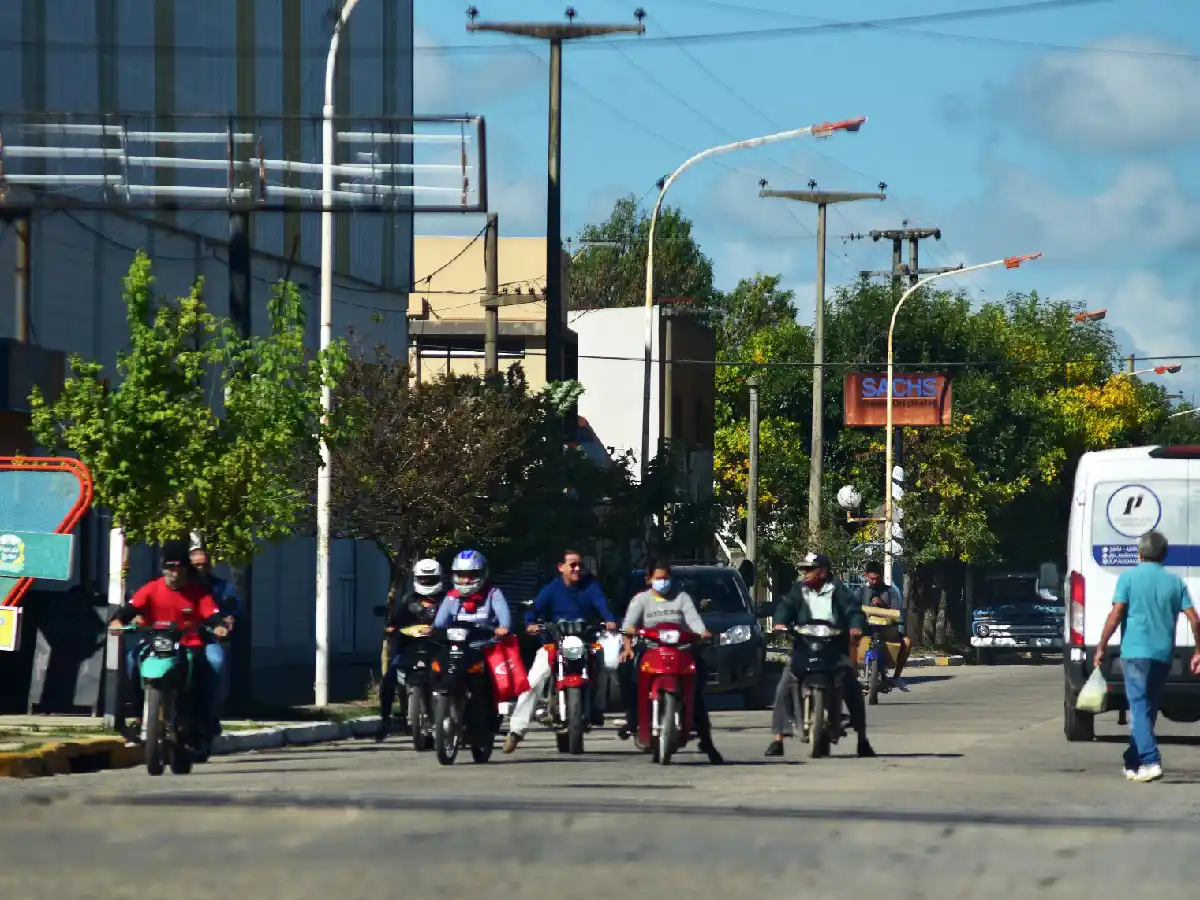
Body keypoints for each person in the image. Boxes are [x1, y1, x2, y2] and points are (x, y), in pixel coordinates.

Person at [1094, 530, 1200, 783]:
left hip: (1135, 653)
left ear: (1139, 554)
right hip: (1163, 655)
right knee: (1148, 709)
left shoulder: (1128, 579)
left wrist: (1101, 645)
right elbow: (1194, 619)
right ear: (1164, 555)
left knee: (1140, 708)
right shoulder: (1175, 582)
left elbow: (1116, 614)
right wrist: (1198, 651)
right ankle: (1133, 761)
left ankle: (1151, 760)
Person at [109, 539, 226, 749]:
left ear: (186, 569)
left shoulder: (198, 592)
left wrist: (219, 626)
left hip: (189, 643)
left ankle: (204, 720)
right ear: (163, 569)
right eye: (169, 569)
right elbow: (129, 609)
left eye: (178, 569)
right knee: (131, 660)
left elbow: (212, 614)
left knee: (210, 667)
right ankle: (137, 717)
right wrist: (118, 621)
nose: (174, 574)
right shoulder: (151, 588)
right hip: (155, 643)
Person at [503, 550, 618, 754]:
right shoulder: (551, 589)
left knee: (603, 665)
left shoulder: (591, 585)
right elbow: (534, 610)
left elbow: (601, 603)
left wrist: (609, 620)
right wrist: (531, 624)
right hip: (554, 643)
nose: (577, 569)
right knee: (533, 681)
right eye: (572, 565)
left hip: (584, 642)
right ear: (560, 567)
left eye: (580, 565)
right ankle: (516, 731)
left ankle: (597, 709)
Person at [765, 552, 876, 758]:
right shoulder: (798, 590)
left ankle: (862, 738)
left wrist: (855, 626)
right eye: (803, 569)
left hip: (834, 647)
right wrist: (780, 622)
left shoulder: (838, 589)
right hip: (804, 646)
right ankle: (778, 739)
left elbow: (854, 611)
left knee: (851, 685)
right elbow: (785, 606)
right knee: (784, 685)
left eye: (809, 569)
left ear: (823, 572)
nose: (805, 573)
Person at [620, 559, 724, 765]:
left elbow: (694, 621)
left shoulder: (682, 598)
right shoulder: (641, 600)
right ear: (649, 580)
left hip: (682, 650)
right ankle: (633, 720)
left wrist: (702, 632)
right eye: (658, 578)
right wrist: (628, 646)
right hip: (651, 650)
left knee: (696, 687)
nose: (662, 582)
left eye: (666, 578)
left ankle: (706, 740)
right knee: (627, 673)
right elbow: (629, 625)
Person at [376, 558, 444, 742]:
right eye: (422, 579)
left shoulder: (447, 601)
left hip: (438, 648)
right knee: (389, 678)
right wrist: (391, 627)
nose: (426, 582)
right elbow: (396, 619)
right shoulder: (408, 600)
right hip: (410, 649)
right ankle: (385, 719)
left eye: (430, 579)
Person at [188, 540, 241, 736]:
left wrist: (227, 620)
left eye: (204, 565)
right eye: (195, 565)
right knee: (135, 659)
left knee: (216, 662)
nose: (200, 569)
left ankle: (212, 714)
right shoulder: (178, 586)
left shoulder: (220, 587)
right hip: (176, 639)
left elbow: (231, 606)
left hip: (206, 637)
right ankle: (142, 713)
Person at [860, 560, 912, 692]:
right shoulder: (861, 592)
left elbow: (896, 612)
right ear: (866, 576)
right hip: (866, 631)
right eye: (871, 578)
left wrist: (882, 605)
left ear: (882, 576)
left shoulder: (890, 592)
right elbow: (852, 609)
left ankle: (896, 677)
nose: (874, 581)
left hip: (886, 631)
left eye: (877, 578)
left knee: (907, 642)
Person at [433, 549, 511, 635]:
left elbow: (505, 622)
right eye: (462, 575)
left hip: (486, 640)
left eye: (472, 575)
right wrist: (432, 629)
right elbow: (439, 624)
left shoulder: (493, 593)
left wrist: (503, 628)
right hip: (457, 640)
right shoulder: (451, 596)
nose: (466, 581)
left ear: (482, 574)